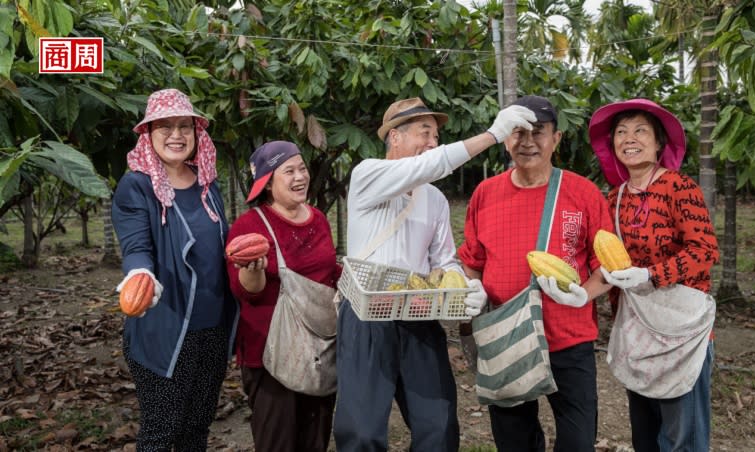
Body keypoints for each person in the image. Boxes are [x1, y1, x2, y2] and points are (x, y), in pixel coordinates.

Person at [334, 97, 539, 452]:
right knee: (362, 432)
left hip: (418, 313)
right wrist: (493, 134)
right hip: (367, 316)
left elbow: (443, 259)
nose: (432, 142)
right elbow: (435, 163)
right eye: (424, 133)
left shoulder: (435, 200)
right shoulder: (368, 174)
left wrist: (465, 285)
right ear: (395, 137)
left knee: (439, 426)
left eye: (435, 135)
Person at [458, 95, 614, 452]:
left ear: (556, 139)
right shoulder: (486, 193)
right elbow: (472, 259)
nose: (528, 142)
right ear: (506, 138)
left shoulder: (582, 193)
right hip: (506, 335)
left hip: (568, 339)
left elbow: (606, 265)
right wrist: (473, 288)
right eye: (518, 133)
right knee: (515, 440)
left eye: (539, 133)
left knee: (578, 440)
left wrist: (584, 294)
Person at [589, 98, 719, 451]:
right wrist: (581, 291)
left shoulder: (679, 187)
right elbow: (607, 263)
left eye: (640, 131)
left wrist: (650, 275)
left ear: (660, 142)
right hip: (637, 328)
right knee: (645, 433)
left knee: (682, 437)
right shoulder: (614, 198)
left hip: (680, 330)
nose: (629, 138)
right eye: (621, 132)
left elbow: (705, 251)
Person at [112, 88, 238, 450]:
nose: (177, 135)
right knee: (161, 432)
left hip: (212, 329)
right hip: (166, 330)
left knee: (196, 429)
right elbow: (136, 247)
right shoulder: (137, 186)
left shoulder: (206, 183)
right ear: (148, 135)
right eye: (164, 127)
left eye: (185, 126)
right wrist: (140, 276)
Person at [226, 141, 341, 452]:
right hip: (271, 354)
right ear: (267, 183)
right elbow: (245, 292)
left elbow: (328, 272)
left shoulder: (317, 218)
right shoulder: (249, 226)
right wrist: (253, 269)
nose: (300, 177)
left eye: (302, 168)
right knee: (278, 442)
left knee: (314, 440)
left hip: (318, 349)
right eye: (288, 171)